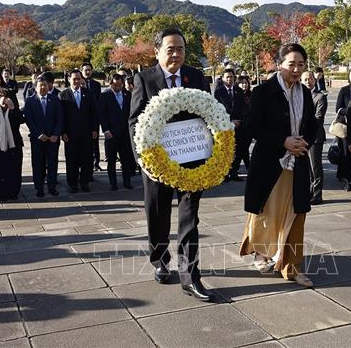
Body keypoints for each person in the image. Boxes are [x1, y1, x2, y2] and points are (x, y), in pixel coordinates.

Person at [129, 28, 215, 302]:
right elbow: (134, 121)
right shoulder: (144, 79)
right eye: (170, 49)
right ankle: (160, 258)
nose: (176, 54)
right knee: (158, 214)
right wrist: (143, 159)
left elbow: (209, 112)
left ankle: (191, 276)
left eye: (180, 48)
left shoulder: (196, 76)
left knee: (190, 218)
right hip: (158, 162)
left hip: (192, 159)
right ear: (157, 52)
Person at [240, 43, 317, 288]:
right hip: (270, 164)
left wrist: (304, 142)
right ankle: (261, 251)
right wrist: (283, 141)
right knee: (266, 214)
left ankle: (292, 267)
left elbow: (312, 124)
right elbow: (252, 127)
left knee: (296, 215)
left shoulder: (304, 93)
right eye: (291, 64)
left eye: (300, 64)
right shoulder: (263, 92)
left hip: (298, 162)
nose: (296, 69)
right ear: (279, 64)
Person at [60, 69, 99, 193]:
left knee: (86, 159)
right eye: (74, 79)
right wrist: (63, 132)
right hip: (70, 134)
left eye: (78, 78)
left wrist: (94, 129)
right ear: (69, 79)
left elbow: (94, 112)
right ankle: (72, 183)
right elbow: (61, 116)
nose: (77, 81)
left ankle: (85, 182)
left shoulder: (88, 93)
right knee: (72, 160)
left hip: (86, 133)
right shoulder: (63, 95)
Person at [24, 75, 63, 198]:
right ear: (35, 87)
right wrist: (39, 134)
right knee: (38, 164)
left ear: (49, 86)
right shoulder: (30, 101)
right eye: (40, 85)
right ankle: (39, 188)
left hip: (52, 139)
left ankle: (52, 187)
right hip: (38, 139)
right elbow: (29, 120)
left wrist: (56, 134)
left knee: (52, 164)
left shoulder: (55, 99)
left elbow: (60, 118)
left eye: (45, 85)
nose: (43, 87)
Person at [99, 74, 134, 191]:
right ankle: (113, 183)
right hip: (111, 133)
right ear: (111, 84)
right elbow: (102, 115)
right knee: (112, 160)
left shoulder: (127, 95)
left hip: (125, 133)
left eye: (120, 85)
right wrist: (106, 130)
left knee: (126, 159)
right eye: (116, 85)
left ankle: (127, 181)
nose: (118, 87)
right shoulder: (105, 96)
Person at [214, 68, 245, 181]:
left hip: (239, 125)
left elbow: (243, 108)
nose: (229, 79)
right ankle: (225, 173)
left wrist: (238, 121)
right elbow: (218, 109)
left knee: (238, 150)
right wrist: (229, 122)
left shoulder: (239, 91)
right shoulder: (218, 92)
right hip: (225, 125)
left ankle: (234, 172)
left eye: (231, 77)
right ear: (223, 79)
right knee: (226, 150)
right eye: (227, 77)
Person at [301, 71, 327, 205]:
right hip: (301, 137)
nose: (307, 81)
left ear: (314, 80)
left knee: (315, 166)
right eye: (305, 79)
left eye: (310, 78)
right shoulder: (298, 96)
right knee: (306, 168)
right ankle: (309, 192)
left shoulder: (320, 97)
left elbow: (318, 118)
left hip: (315, 137)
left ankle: (317, 194)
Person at [334, 66, 351, 191]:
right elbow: (338, 109)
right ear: (349, 77)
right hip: (345, 128)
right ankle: (347, 179)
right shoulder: (344, 90)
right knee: (345, 155)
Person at [81, 62, 104, 173]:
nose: (88, 72)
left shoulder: (96, 85)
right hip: (82, 117)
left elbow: (99, 101)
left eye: (89, 69)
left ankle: (96, 163)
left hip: (93, 116)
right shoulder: (79, 82)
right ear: (82, 71)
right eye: (85, 70)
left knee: (95, 140)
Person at [235, 75, 253, 172]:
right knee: (242, 148)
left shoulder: (252, 94)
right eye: (242, 83)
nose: (244, 85)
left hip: (249, 125)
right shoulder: (236, 94)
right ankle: (248, 169)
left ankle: (234, 170)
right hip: (239, 125)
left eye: (246, 83)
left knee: (244, 147)